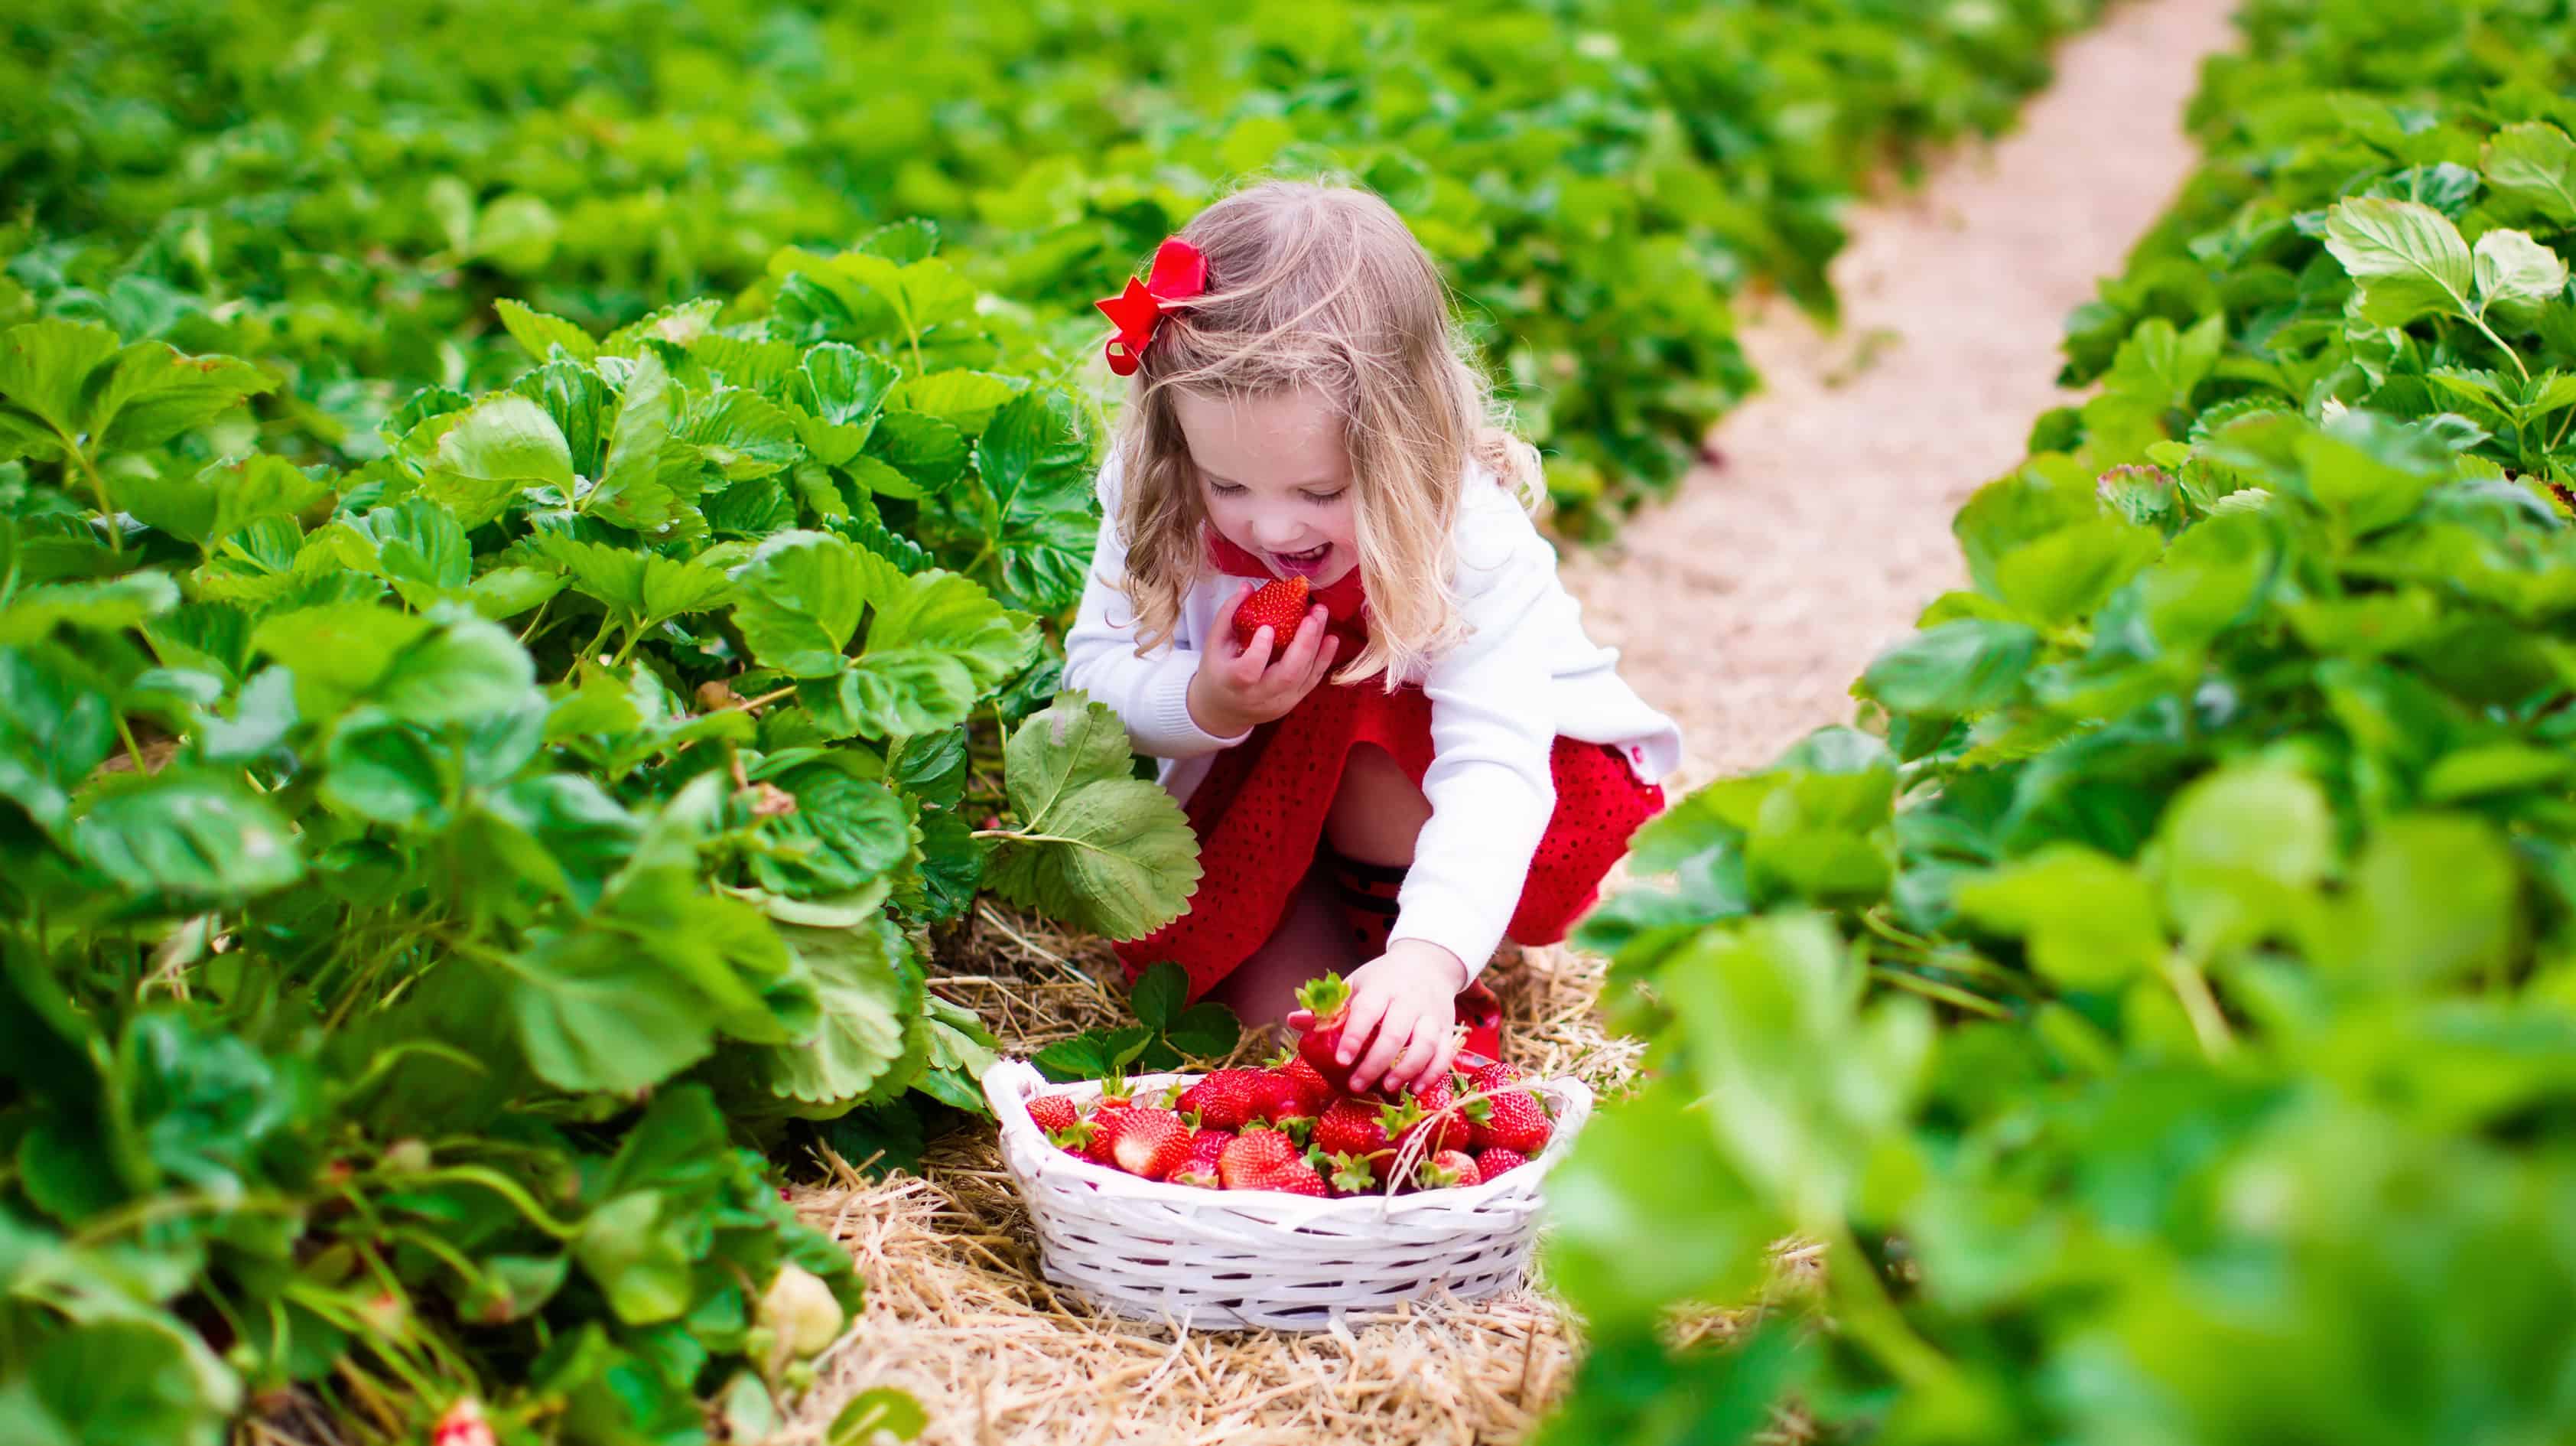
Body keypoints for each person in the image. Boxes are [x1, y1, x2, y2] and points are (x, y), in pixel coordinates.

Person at [1063, 180, 1682, 1099]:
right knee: (1290, 1045)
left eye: (1319, 492)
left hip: (1476, 788)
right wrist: (1205, 701)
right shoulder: (1157, 485)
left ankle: (1418, 958)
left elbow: (1489, 766)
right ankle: (1352, 958)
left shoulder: (1463, 534)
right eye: (1228, 485)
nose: (1272, 528)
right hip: (1264, 794)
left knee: (1368, 690)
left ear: (1406, 445)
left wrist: (1429, 960)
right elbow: (1094, 678)